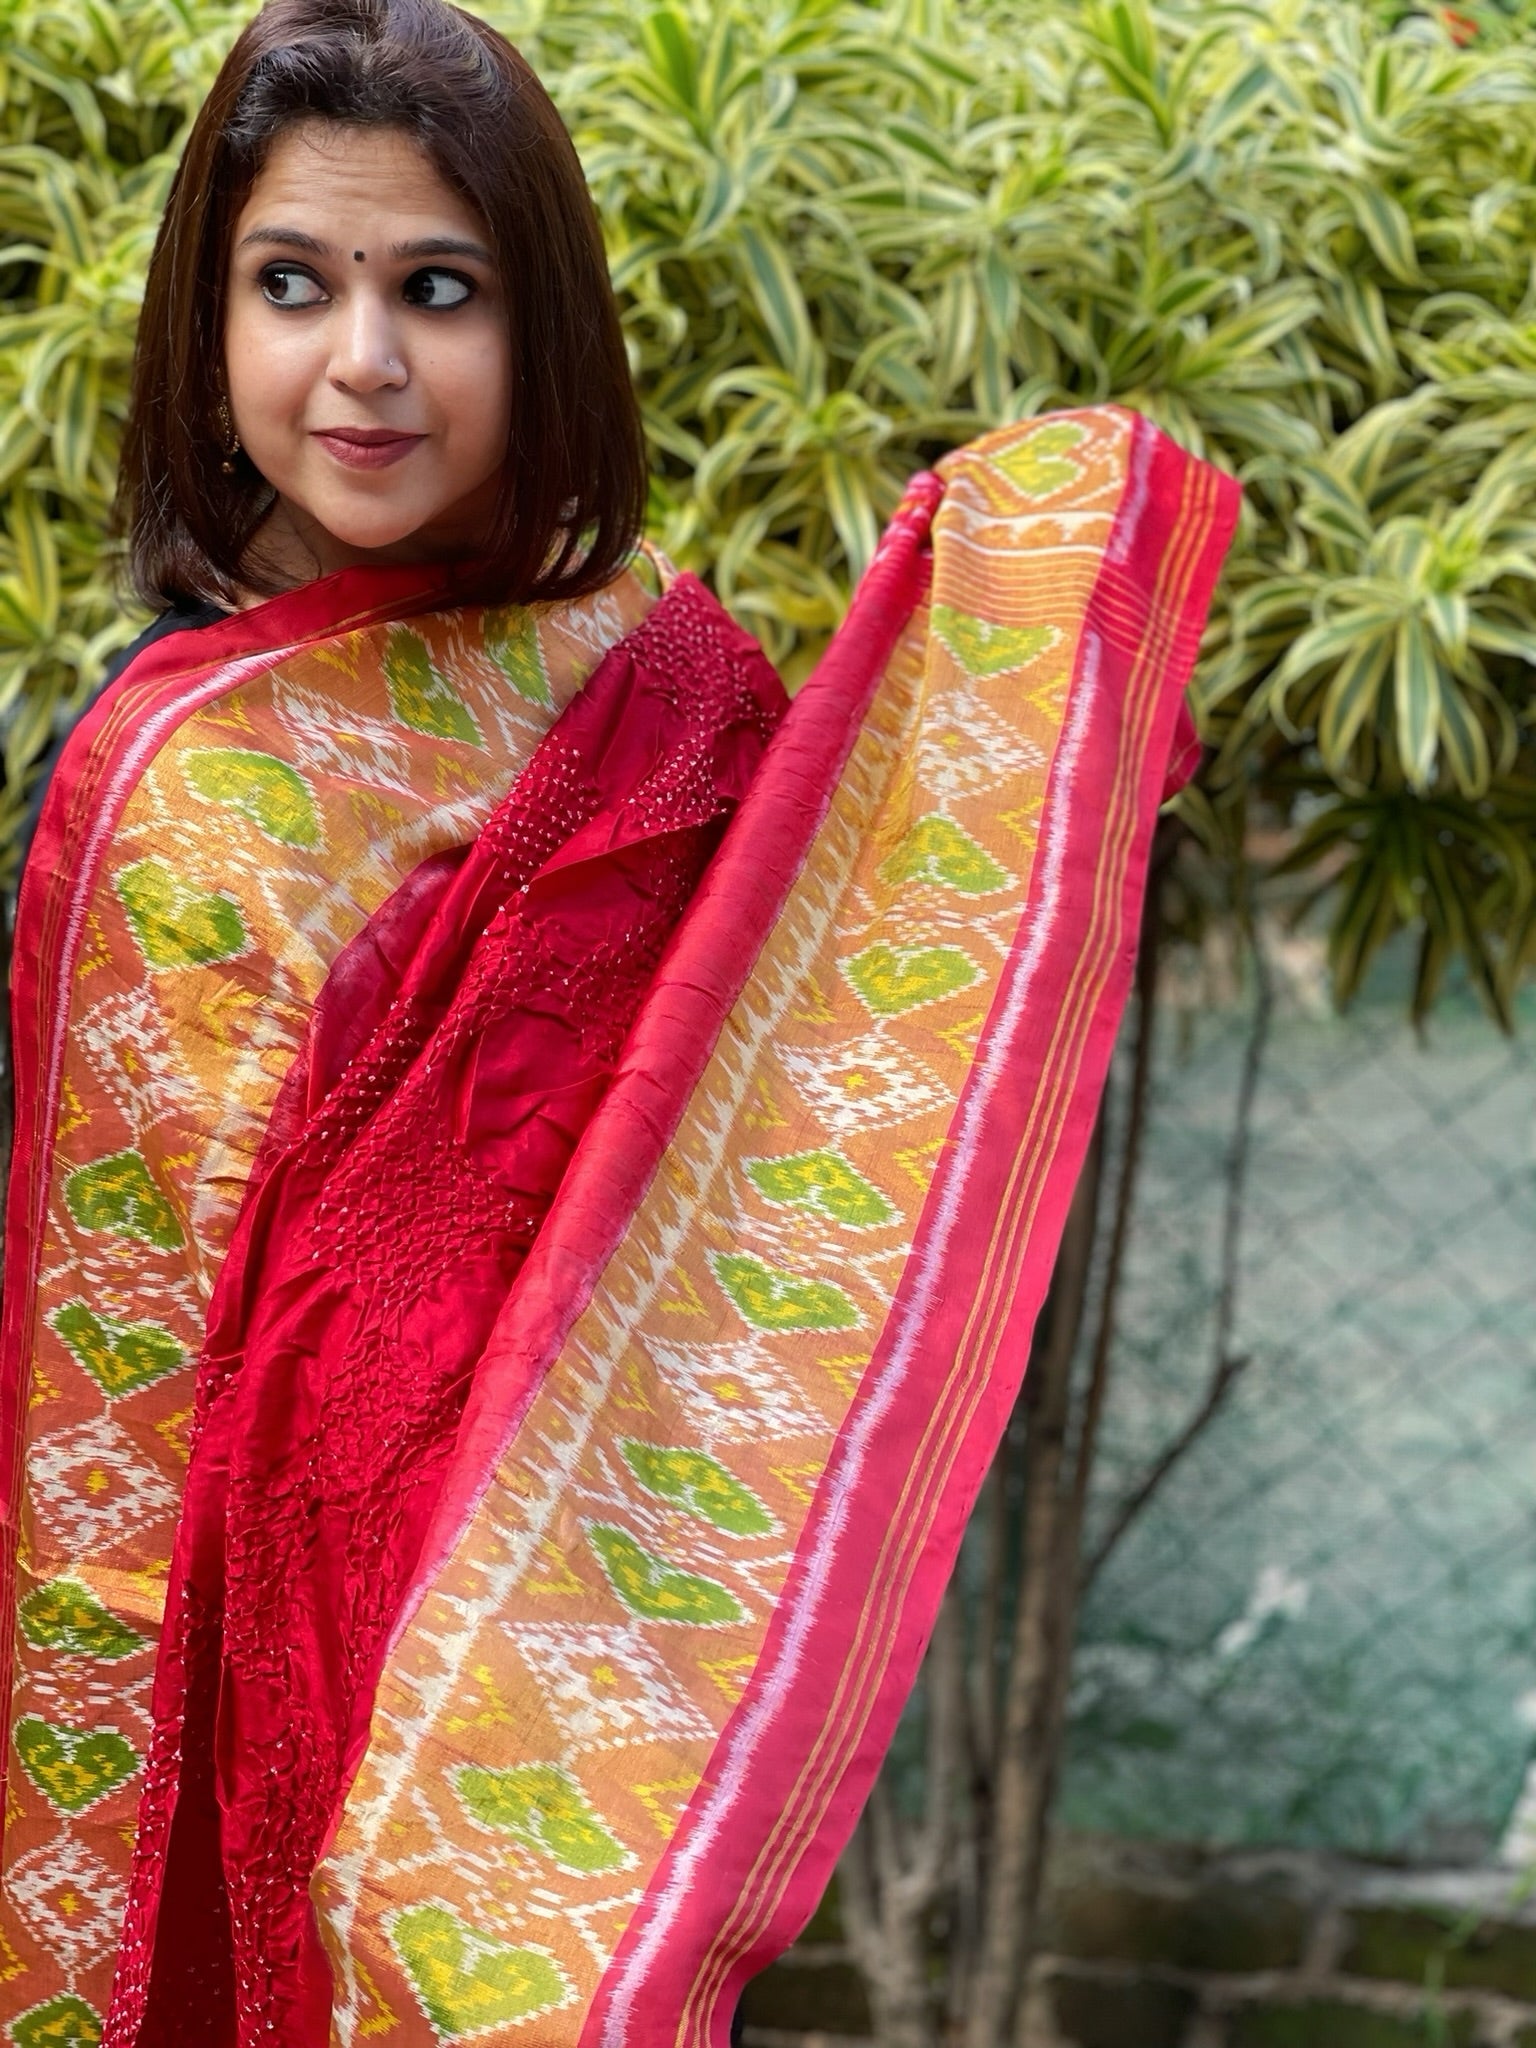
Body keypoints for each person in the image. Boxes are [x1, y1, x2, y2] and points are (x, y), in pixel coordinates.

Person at [0, 2, 1239, 2043]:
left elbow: (808, 1074)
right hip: (172, 1679)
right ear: (205, 337)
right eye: (292, 285)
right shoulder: (146, 768)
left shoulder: (657, 702)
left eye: (441, 291)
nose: (363, 362)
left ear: (541, 329)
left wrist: (1043, 699)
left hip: (531, 1670)